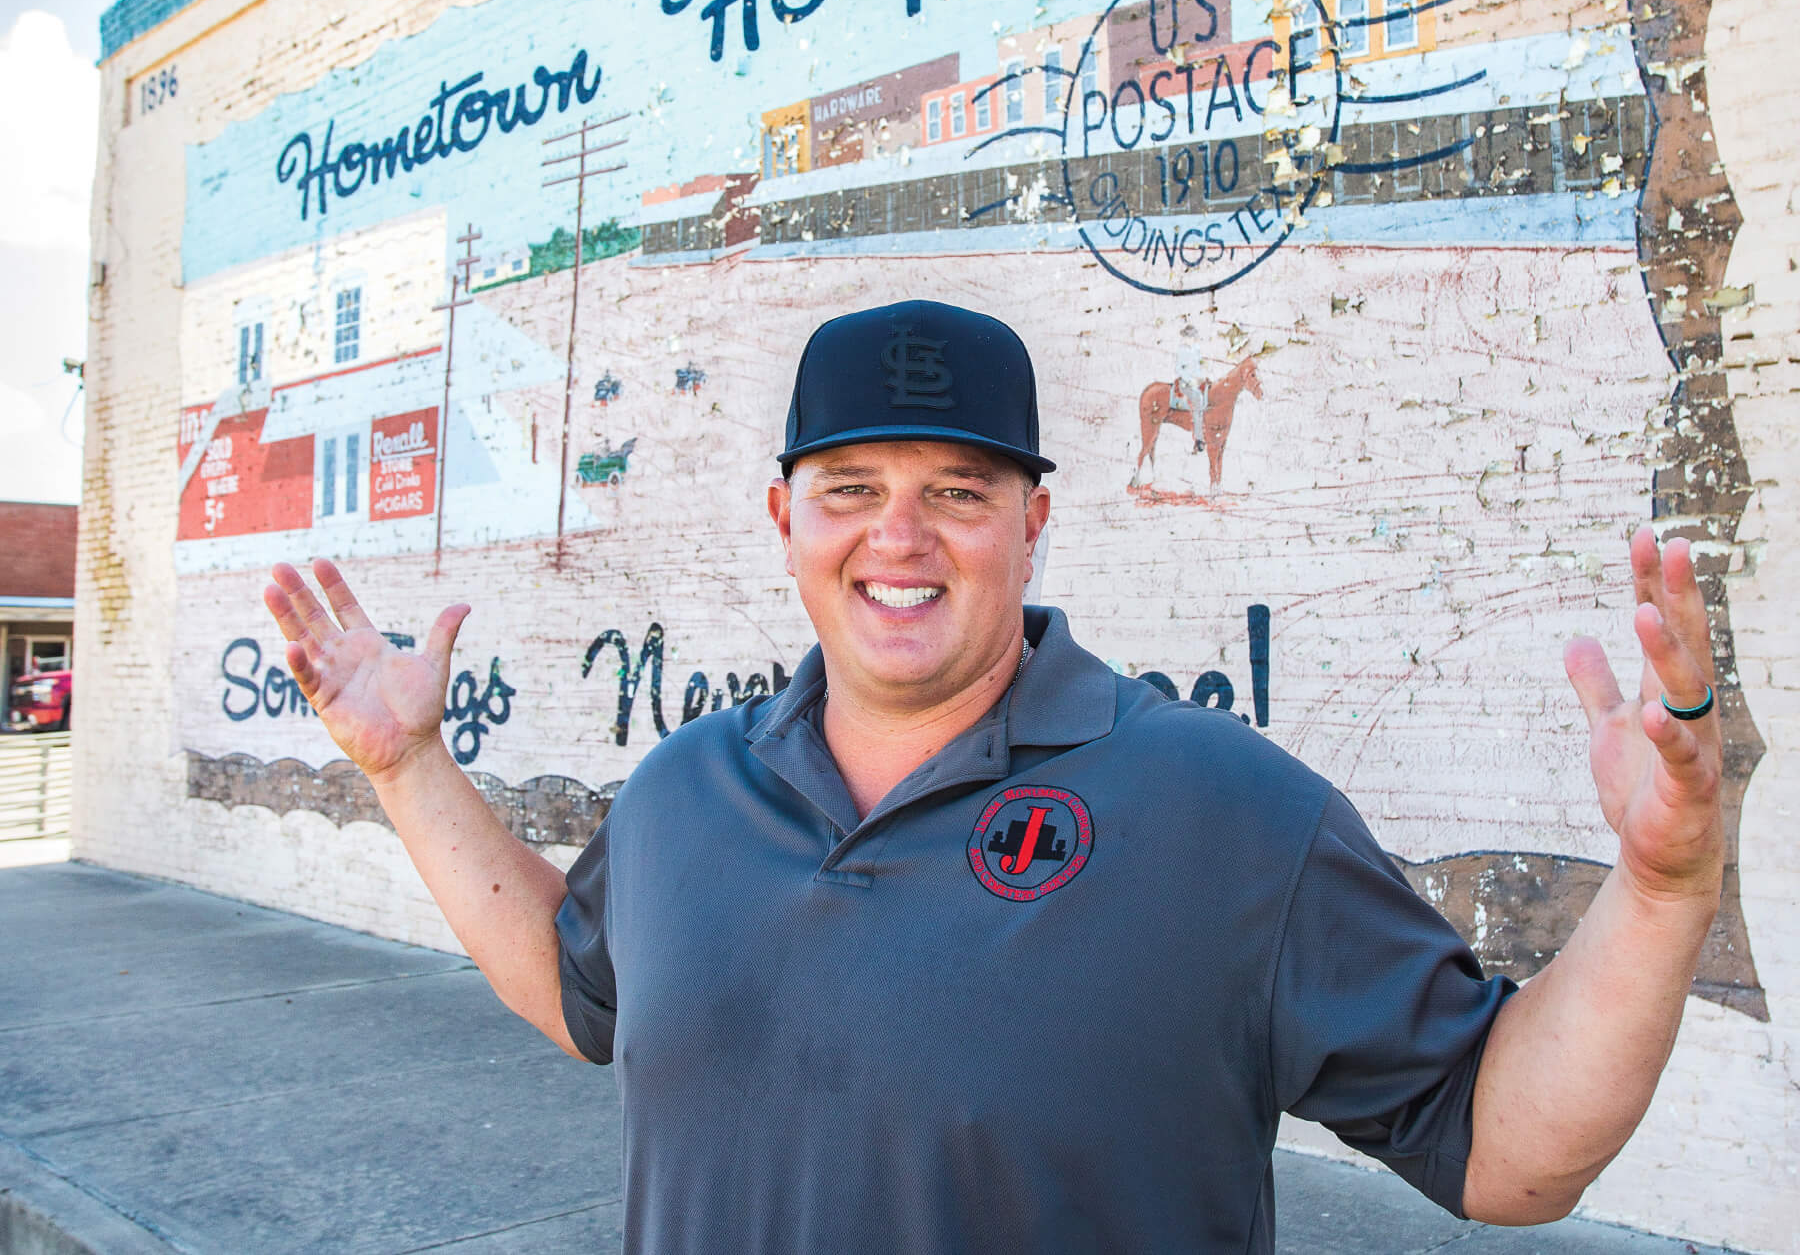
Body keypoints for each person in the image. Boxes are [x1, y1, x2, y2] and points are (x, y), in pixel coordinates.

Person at [264, 298, 1725, 1255]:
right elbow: (582, 991)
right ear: (786, 517)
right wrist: (407, 768)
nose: (900, 538)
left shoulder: (1225, 812)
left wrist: (1661, 890)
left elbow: (1508, 1151)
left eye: (957, 491)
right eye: (853, 489)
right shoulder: (682, 795)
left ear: (1033, 524)